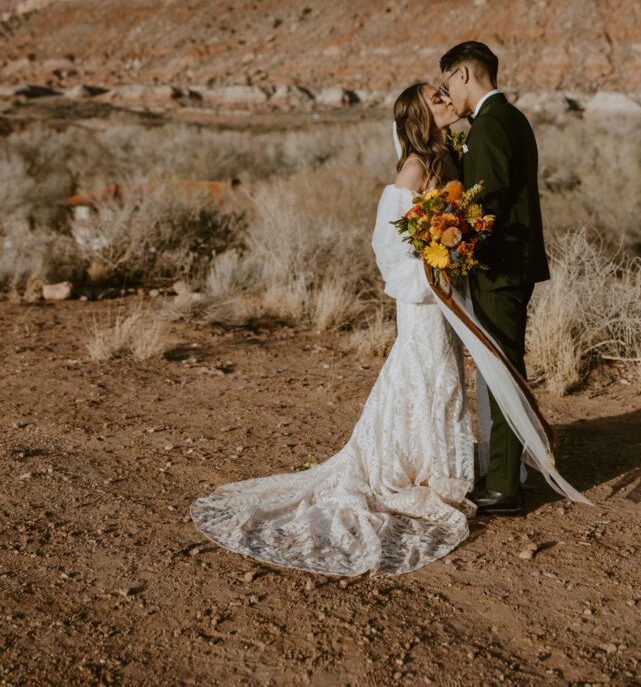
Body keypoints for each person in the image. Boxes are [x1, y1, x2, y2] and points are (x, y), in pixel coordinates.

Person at [190, 82, 477, 577]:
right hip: (423, 296)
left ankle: (435, 467)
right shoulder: (413, 167)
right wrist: (430, 272)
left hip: (444, 290)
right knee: (425, 375)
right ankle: (413, 471)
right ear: (420, 115)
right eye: (436, 98)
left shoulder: (448, 156)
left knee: (441, 375)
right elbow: (388, 245)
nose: (447, 101)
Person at [438, 40, 550, 515]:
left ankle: (504, 486)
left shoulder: (487, 127)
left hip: (499, 271)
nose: (447, 95)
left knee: (503, 375)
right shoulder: (513, 119)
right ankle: (505, 471)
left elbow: (484, 207)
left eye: (447, 84)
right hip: (515, 267)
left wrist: (449, 247)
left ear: (464, 74)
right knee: (504, 372)